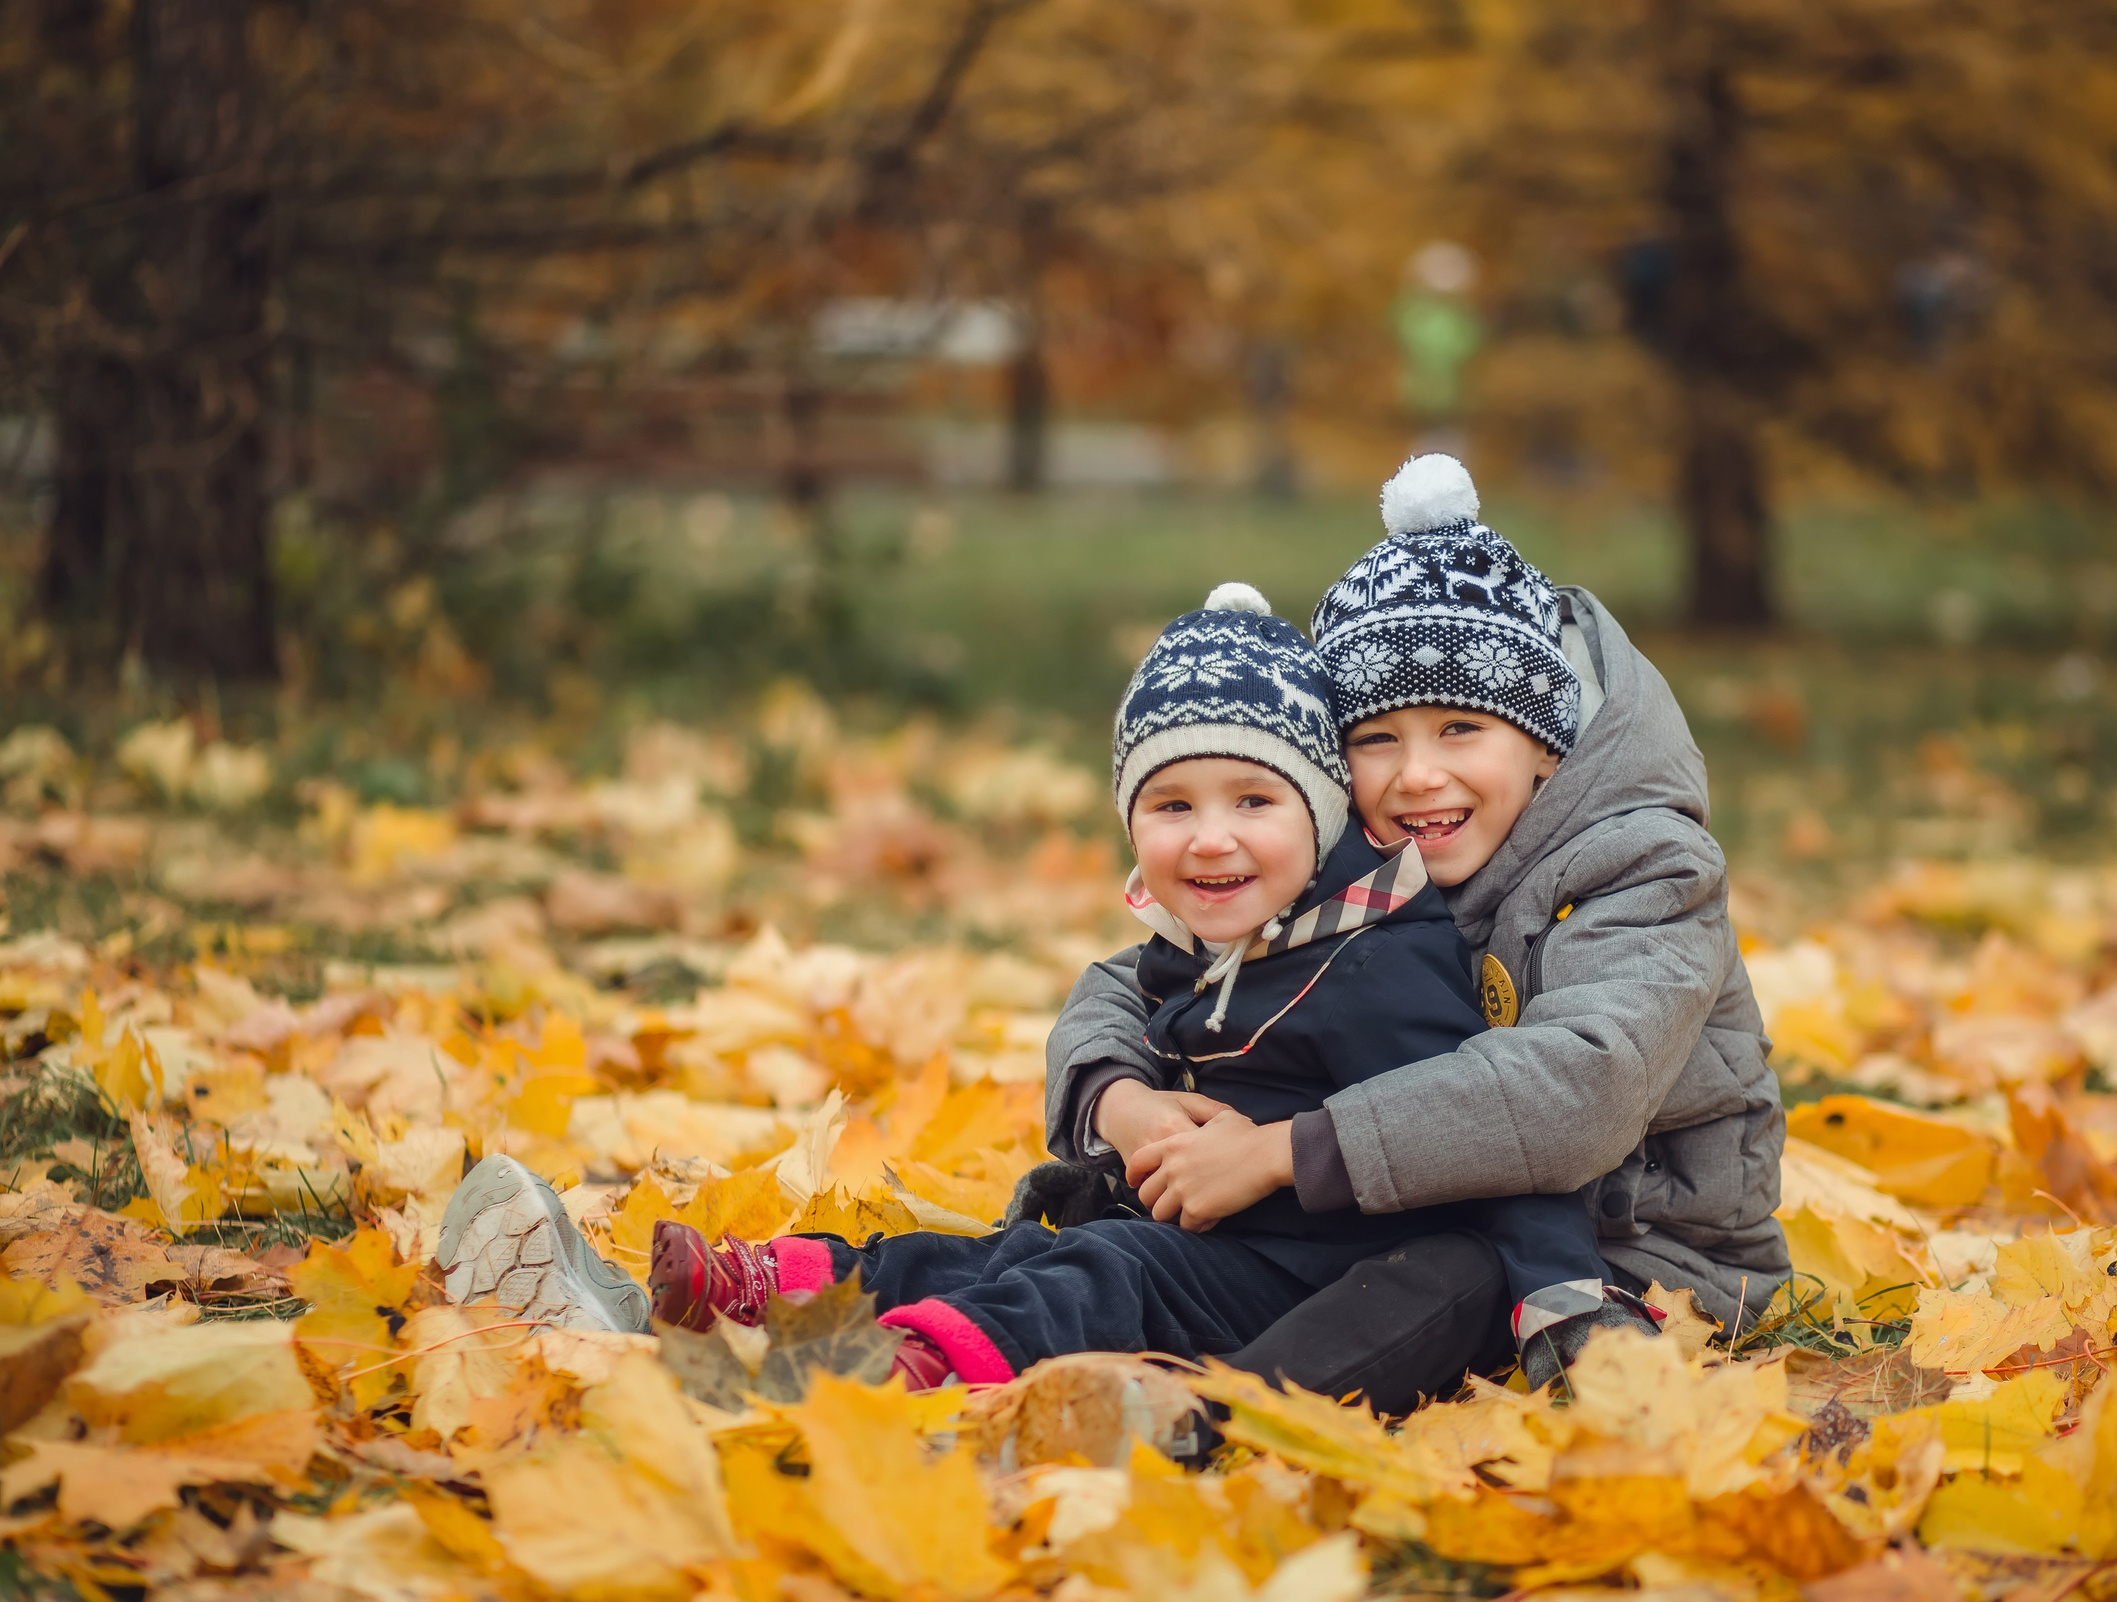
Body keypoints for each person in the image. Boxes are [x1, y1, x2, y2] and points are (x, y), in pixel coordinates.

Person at [437, 581, 1629, 1390]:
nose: (1209, 841)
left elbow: (1500, 1135)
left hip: (1302, 1270)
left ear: (1320, 825)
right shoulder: (1226, 942)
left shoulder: (1379, 961)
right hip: (1190, 1226)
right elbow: (1113, 996)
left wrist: (1567, 1301)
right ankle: (745, 1289)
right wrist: (1121, 1101)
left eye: (1252, 805)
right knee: (987, 1250)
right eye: (1172, 808)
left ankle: (903, 1368)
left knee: (1096, 1272)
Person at [1043, 454, 1792, 1412]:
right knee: (1186, 1247)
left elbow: (1582, 1085)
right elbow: (1135, 978)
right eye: (1376, 738)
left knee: (1445, 1275)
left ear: (1544, 744)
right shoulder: (1357, 859)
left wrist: (1280, 1150)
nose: (1418, 777)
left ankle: (1227, 1416)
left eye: (1461, 729)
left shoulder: (1645, 868)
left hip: (1632, 1245)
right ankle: (999, 1326)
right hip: (1401, 1208)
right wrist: (1118, 1102)